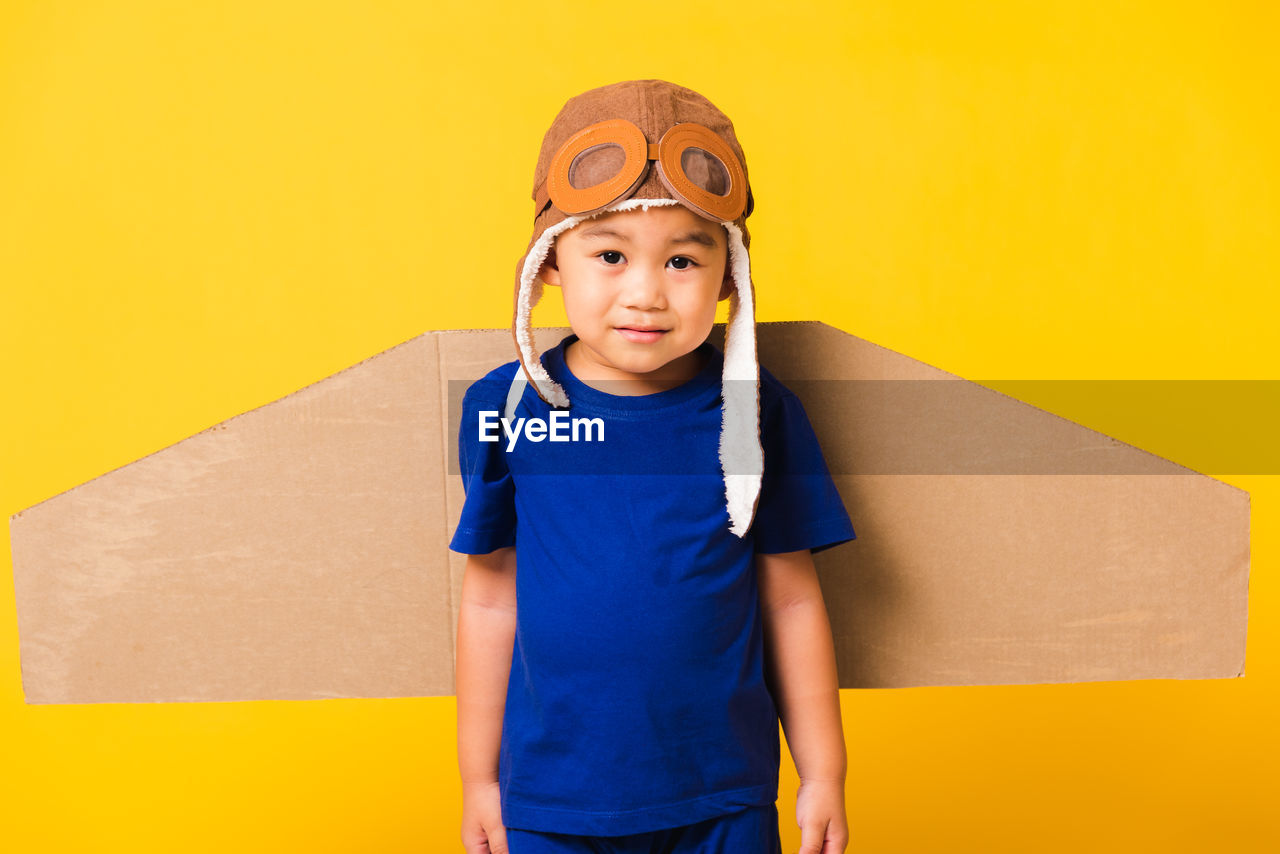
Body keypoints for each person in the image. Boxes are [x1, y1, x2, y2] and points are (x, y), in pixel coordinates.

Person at [450, 79, 856, 854]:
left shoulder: (756, 413)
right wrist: (478, 780)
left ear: (727, 276)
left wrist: (825, 770)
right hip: (551, 803)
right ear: (549, 267)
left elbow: (793, 602)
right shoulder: (503, 408)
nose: (645, 293)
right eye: (609, 254)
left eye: (681, 260)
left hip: (723, 796)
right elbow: (490, 601)